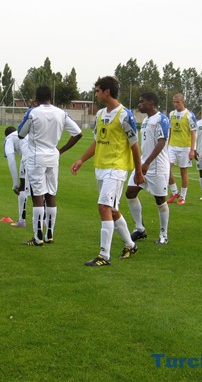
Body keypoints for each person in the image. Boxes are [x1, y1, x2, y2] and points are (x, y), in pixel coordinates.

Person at [70, 76, 143, 266]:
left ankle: (104, 255)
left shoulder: (125, 115)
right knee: (112, 209)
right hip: (101, 167)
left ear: (107, 91)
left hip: (117, 168)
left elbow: (134, 144)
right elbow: (97, 141)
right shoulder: (101, 114)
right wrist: (81, 159)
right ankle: (130, 244)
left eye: (97, 90)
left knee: (103, 207)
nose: (96, 94)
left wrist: (139, 170)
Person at [18, 85, 82, 246]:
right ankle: (50, 233)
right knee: (51, 194)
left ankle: (38, 237)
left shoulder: (33, 112)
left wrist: (31, 110)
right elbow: (78, 133)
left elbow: (20, 133)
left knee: (37, 196)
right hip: (53, 156)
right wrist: (61, 150)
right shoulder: (61, 113)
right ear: (50, 97)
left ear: (36, 98)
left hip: (36, 157)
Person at [125, 92, 171, 245]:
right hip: (143, 164)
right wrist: (141, 164)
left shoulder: (161, 119)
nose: (139, 104)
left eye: (142, 101)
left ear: (151, 102)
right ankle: (140, 228)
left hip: (157, 167)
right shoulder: (145, 120)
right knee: (130, 193)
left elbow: (161, 142)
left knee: (160, 200)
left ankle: (164, 235)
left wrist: (147, 163)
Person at [166, 93, 197, 205]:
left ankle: (183, 197)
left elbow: (193, 133)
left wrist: (192, 150)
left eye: (177, 102)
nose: (175, 104)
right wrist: (167, 145)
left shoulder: (189, 115)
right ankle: (174, 192)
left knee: (183, 172)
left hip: (185, 148)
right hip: (172, 146)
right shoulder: (171, 114)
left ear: (183, 102)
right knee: (166, 169)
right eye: (174, 102)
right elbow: (170, 131)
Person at [4, 126, 30, 227]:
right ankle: (44, 220)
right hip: (43, 156)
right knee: (42, 190)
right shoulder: (24, 133)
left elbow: (11, 159)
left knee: (22, 188)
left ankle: (21, 221)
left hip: (28, 158)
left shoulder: (9, 139)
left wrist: (15, 183)